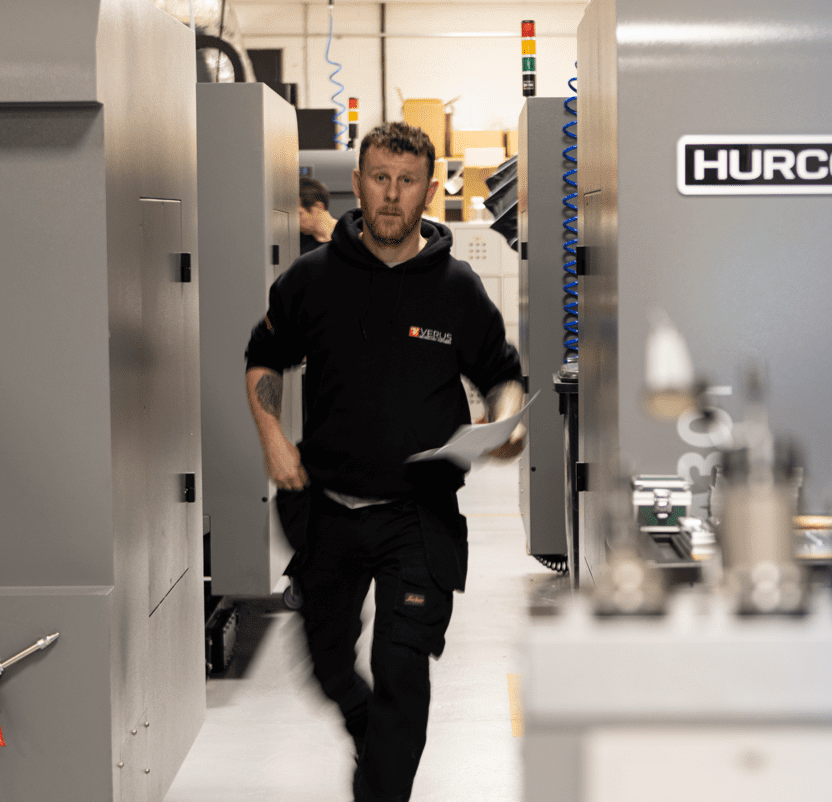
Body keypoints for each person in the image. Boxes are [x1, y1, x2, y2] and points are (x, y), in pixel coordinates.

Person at [244, 121, 524, 802]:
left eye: (406, 183)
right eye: (379, 179)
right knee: (329, 667)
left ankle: (380, 785)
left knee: (403, 674)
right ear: (358, 183)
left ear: (428, 190)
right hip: (327, 506)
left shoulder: (456, 288)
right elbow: (263, 360)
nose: (391, 196)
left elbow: (501, 373)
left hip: (416, 516)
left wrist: (505, 423)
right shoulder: (311, 280)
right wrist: (273, 438)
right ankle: (369, 732)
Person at [299, 176, 338, 253]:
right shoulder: (296, 243)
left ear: (318, 207)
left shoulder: (350, 236)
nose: (294, 221)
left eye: (299, 214)